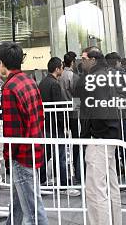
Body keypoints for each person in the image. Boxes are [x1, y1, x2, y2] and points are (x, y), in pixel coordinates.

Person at [0, 42, 48, 225]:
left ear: (1, 63)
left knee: (33, 212)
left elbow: (12, 132)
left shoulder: (9, 88)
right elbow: (40, 116)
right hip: (34, 149)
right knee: (20, 202)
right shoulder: (30, 81)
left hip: (22, 155)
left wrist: (7, 156)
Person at [76, 46, 122, 225]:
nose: (82, 61)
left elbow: (97, 110)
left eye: (84, 58)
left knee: (96, 190)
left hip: (100, 138)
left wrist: (91, 134)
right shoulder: (107, 75)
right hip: (109, 135)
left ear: (93, 59)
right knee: (111, 187)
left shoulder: (95, 79)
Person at [38, 57, 79, 195]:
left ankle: (42, 179)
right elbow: (58, 107)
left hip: (46, 124)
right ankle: (63, 185)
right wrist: (65, 126)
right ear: (57, 69)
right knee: (61, 155)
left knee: (47, 153)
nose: (62, 69)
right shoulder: (54, 84)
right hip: (55, 125)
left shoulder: (42, 82)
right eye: (61, 67)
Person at [60, 52, 81, 184]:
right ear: (73, 62)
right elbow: (77, 95)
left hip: (61, 112)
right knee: (75, 141)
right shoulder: (73, 76)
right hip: (73, 112)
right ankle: (76, 169)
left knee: (62, 141)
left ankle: (64, 170)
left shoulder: (59, 75)